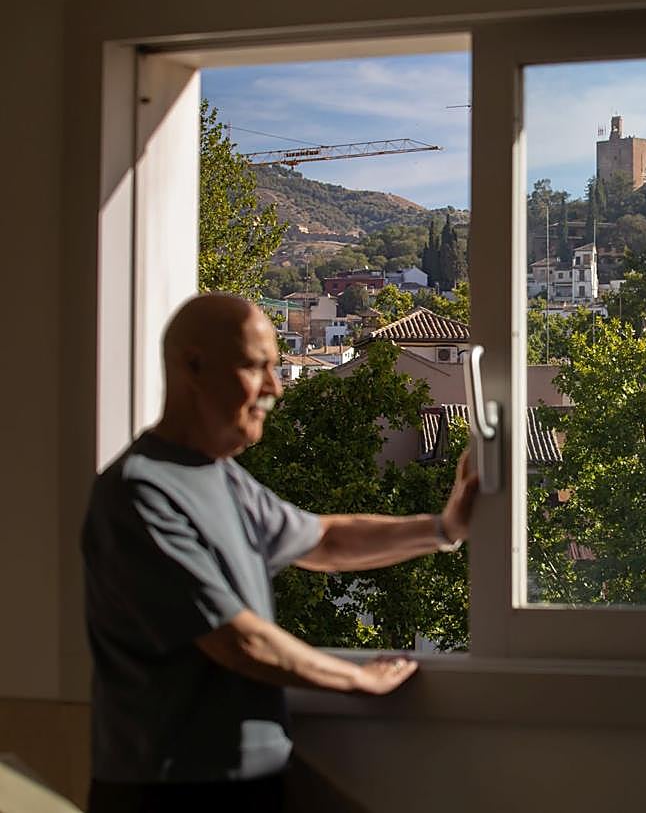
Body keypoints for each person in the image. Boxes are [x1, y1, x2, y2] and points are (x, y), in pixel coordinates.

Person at [82, 293, 479, 811]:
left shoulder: (223, 478)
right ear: (192, 366)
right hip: (167, 789)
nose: (274, 388)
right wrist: (357, 678)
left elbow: (325, 540)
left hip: (254, 775)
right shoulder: (138, 493)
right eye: (255, 367)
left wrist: (444, 528)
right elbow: (237, 641)